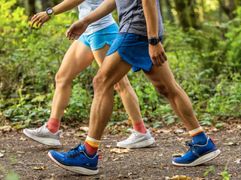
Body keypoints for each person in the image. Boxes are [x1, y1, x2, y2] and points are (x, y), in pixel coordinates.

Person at [47, 0, 221, 175]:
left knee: (101, 82)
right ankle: (201, 142)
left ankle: (88, 153)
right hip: (142, 29)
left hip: (135, 29)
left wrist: (153, 40)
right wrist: (87, 21)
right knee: (167, 88)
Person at [23, 0, 155, 149]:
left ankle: (141, 132)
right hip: (87, 31)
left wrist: (50, 12)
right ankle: (51, 129)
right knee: (62, 77)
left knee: (119, 83)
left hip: (102, 30)